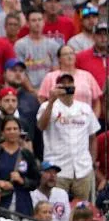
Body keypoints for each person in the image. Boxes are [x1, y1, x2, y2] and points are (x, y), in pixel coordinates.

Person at [37, 73, 100, 201]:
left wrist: (92, 162)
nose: (67, 86)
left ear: (74, 86)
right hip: (57, 170)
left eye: (70, 83)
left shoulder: (85, 108)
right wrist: (51, 101)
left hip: (83, 169)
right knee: (57, 207)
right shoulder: (47, 106)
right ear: (57, 86)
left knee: (83, 208)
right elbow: (41, 126)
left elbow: (93, 137)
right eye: (63, 83)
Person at [0, 116, 40, 217]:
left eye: (15, 129)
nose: (12, 131)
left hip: (22, 204)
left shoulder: (26, 154)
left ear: (20, 131)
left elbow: (36, 180)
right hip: (0, 202)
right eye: (8, 129)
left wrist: (22, 180)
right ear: (2, 132)